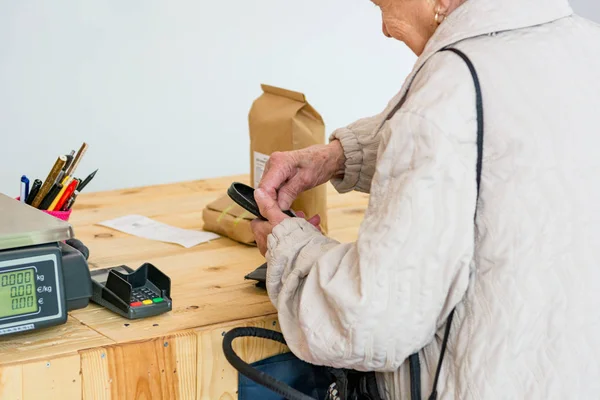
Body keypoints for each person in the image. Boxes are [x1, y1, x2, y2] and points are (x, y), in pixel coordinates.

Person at [251, 0, 600, 398]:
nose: (384, 27)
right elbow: (503, 145)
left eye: (382, 3)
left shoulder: (450, 87)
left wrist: (290, 249)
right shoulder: (587, 45)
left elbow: (371, 320)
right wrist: (339, 156)